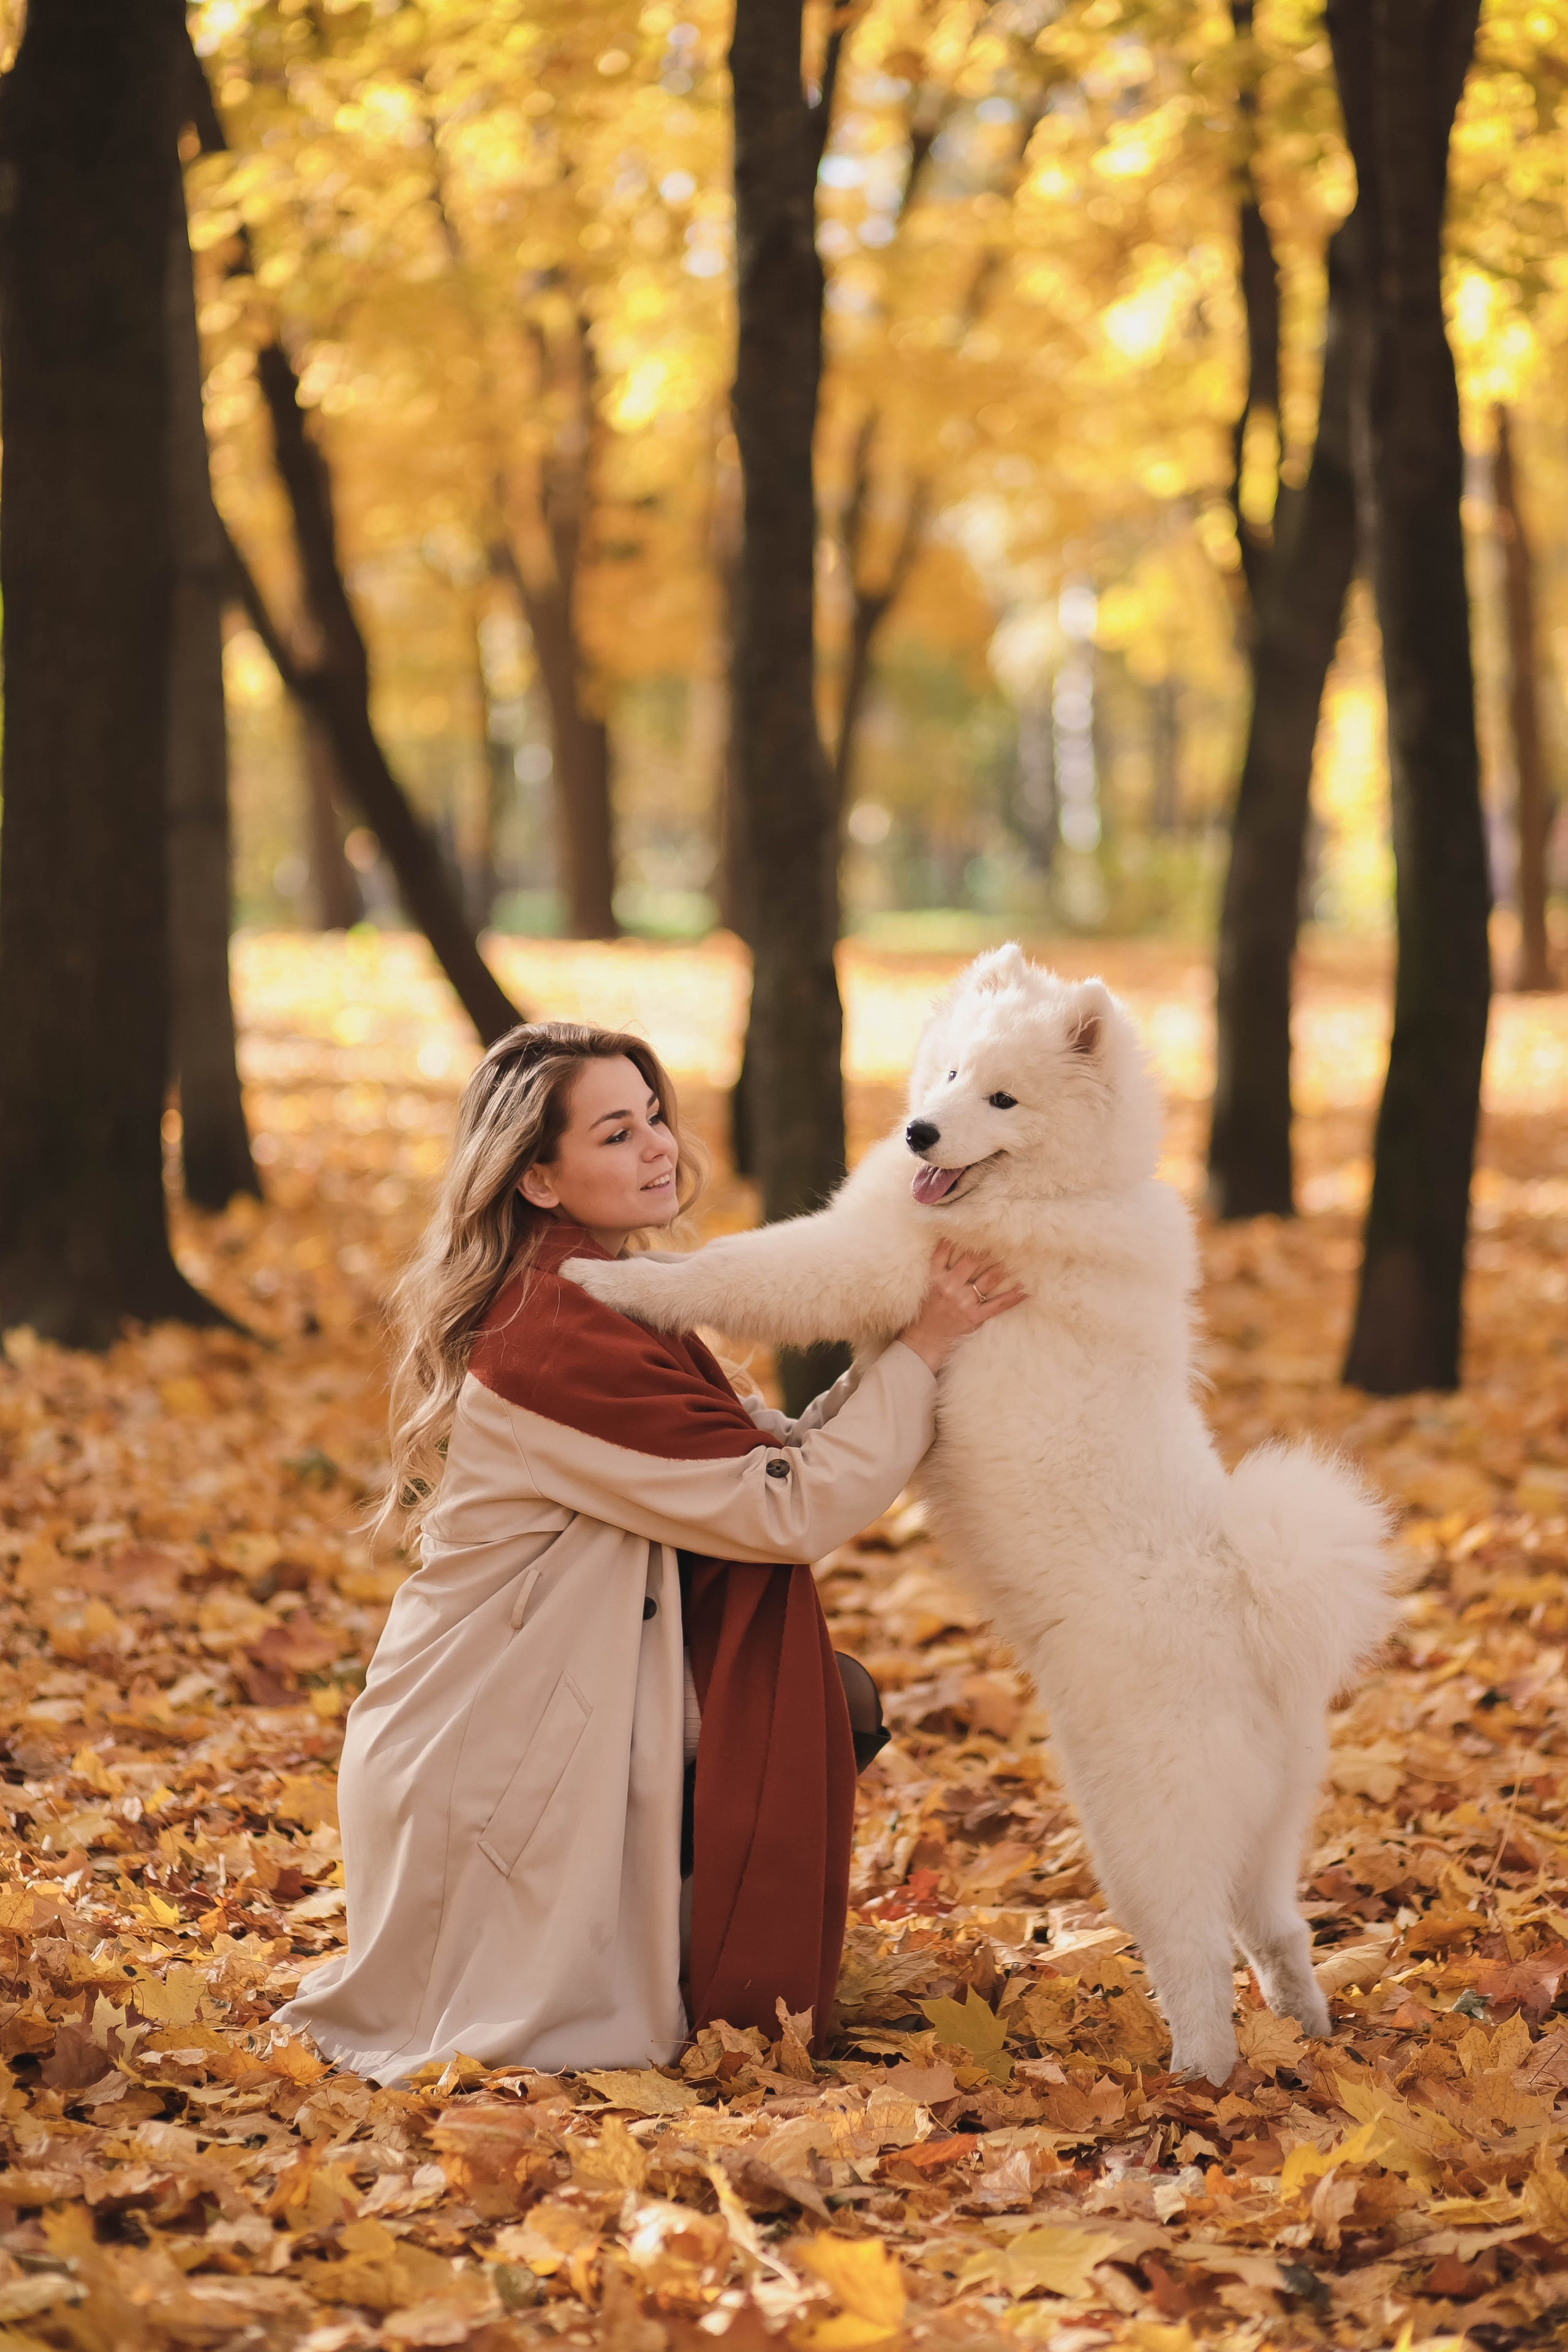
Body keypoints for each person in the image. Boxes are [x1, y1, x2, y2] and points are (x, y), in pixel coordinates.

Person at [276, 1021, 1022, 2084]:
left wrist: (904, 1339)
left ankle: (676, 1943)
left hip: (543, 1687)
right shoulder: (561, 1335)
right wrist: (928, 1347)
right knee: (809, 1713)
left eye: (656, 1118)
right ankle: (677, 1960)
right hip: (492, 1732)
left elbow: (772, 1454)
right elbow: (787, 1510)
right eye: (617, 1134)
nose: (658, 1147)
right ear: (538, 1179)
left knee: (823, 1704)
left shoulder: (611, 1293)